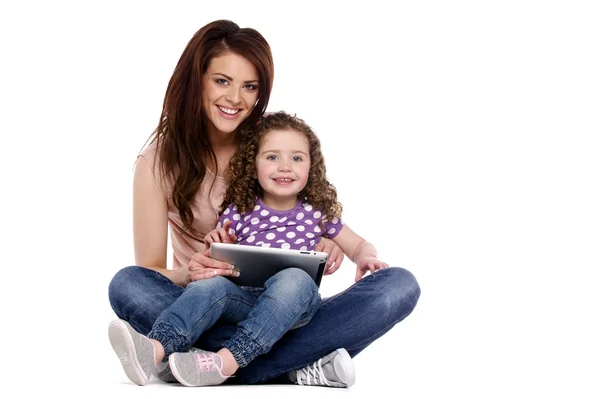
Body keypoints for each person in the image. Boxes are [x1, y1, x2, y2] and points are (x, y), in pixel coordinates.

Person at [108, 19, 421, 388]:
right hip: (208, 304)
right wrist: (193, 273)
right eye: (222, 81)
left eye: (249, 86)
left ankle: (215, 363)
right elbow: (150, 273)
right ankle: (290, 365)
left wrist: (332, 240)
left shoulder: (275, 138)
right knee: (127, 284)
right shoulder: (156, 163)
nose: (235, 99)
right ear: (197, 81)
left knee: (397, 285)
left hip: (287, 306)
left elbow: (314, 201)